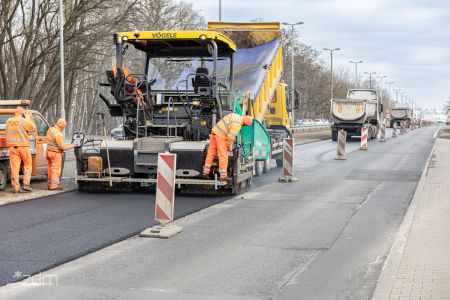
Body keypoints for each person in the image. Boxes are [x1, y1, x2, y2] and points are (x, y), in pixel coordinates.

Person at [203, 113, 253, 180]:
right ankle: (223, 176)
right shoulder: (237, 125)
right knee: (223, 156)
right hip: (220, 136)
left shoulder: (235, 115)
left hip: (214, 132)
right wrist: (229, 147)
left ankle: (205, 172)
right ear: (245, 123)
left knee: (211, 154)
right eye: (245, 125)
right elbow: (230, 137)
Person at [5, 106, 36, 193]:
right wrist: (28, 118)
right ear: (23, 114)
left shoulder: (8, 121)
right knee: (27, 165)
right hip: (23, 146)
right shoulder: (23, 120)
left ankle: (15, 187)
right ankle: (26, 185)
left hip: (12, 147)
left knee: (14, 167)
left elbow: (6, 132)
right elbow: (33, 128)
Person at [46, 118, 75, 190]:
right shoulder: (58, 134)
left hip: (48, 152)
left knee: (50, 169)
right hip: (56, 154)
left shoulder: (50, 130)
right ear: (62, 126)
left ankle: (50, 184)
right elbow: (62, 147)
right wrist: (73, 146)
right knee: (55, 170)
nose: (63, 129)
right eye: (64, 127)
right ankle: (54, 186)